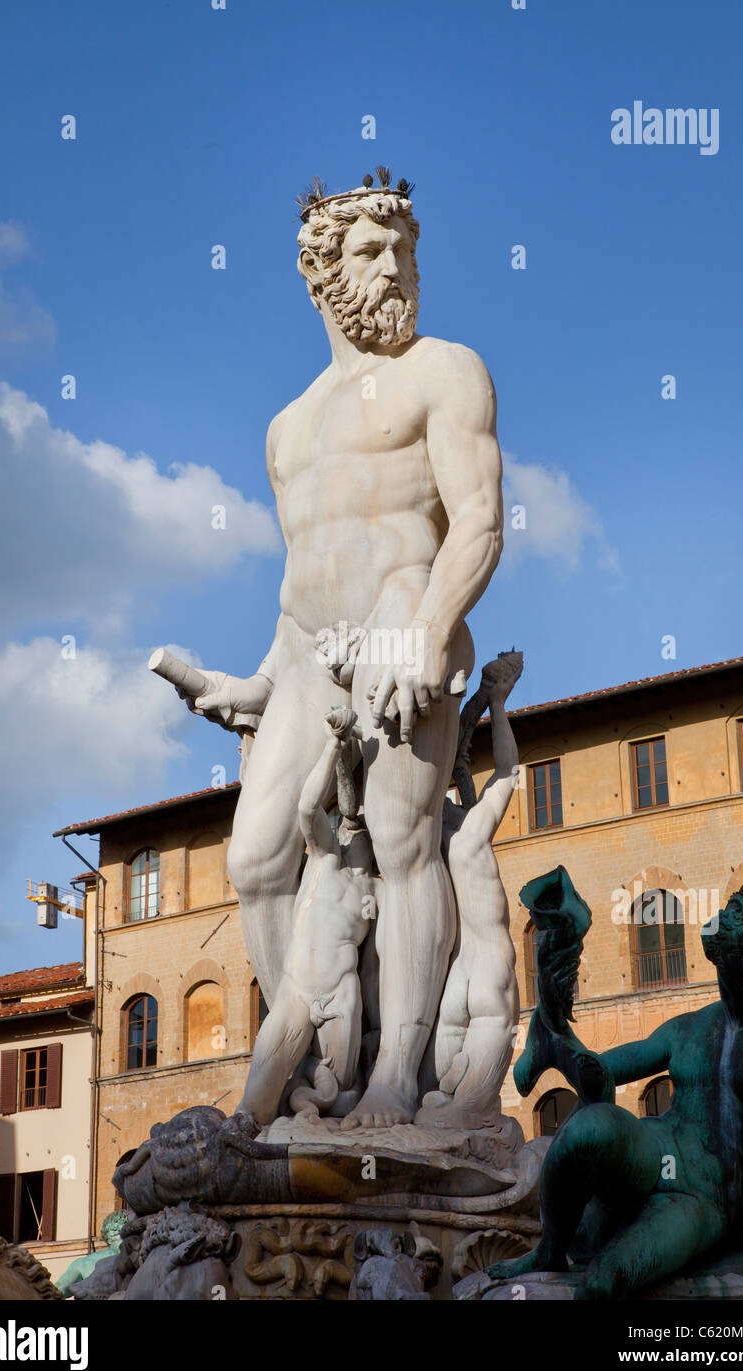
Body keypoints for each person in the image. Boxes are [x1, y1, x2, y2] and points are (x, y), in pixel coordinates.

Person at [172, 171, 504, 1127]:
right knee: (257, 856)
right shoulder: (286, 429)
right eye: (370, 252)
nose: (395, 268)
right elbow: (302, 583)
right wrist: (256, 683)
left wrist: (430, 630)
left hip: (408, 614)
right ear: (319, 274)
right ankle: (322, 1057)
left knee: (404, 846)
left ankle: (398, 1076)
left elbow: (478, 523)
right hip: (312, 650)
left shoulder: (446, 369)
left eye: (405, 251)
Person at [488, 893, 743, 1299]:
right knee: (589, 1127)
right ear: (717, 956)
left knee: (601, 1284)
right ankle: (548, 1251)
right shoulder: (687, 1029)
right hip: (656, 1147)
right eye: (742, 954)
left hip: (703, 1196)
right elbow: (606, 1072)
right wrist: (557, 1033)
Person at [238, 708, 375, 1125]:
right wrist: (334, 745)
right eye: (351, 830)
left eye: (360, 831)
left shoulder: (378, 891)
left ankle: (321, 1145)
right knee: (261, 1087)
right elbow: (306, 806)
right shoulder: (325, 859)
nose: (353, 834)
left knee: (341, 1095)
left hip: (341, 995)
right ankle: (245, 1140)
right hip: (297, 990)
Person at [416, 650, 523, 1129]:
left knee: (446, 1108)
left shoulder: (437, 830)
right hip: (478, 964)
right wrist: (491, 700)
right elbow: (503, 770)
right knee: (451, 1110)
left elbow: (486, 765)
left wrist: (487, 701)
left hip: (463, 971)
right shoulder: (469, 830)